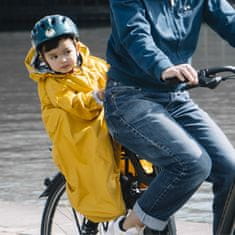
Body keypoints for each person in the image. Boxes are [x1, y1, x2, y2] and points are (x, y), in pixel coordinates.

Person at [104, 0, 235, 234]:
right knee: (193, 163)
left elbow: (231, 22)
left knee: (231, 170)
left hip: (176, 97)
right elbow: (135, 36)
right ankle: (126, 228)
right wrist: (163, 67)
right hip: (128, 96)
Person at [24, 14, 125, 234]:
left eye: (67, 52)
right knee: (97, 172)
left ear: (77, 46)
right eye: (54, 56)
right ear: (43, 58)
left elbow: (115, 76)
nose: (63, 60)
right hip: (81, 132)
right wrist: (96, 97)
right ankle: (97, 220)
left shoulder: (94, 66)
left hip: (110, 123)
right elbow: (74, 104)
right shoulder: (52, 83)